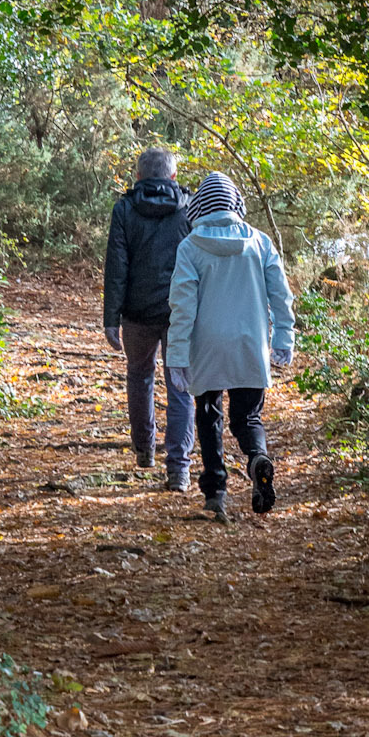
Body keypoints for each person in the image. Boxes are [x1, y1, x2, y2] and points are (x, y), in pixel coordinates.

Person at [165, 172, 294, 525]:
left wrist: (176, 357)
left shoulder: (190, 247)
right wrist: (283, 338)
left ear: (199, 208)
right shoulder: (260, 242)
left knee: (208, 416)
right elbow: (281, 296)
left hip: (206, 347)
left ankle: (215, 493)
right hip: (251, 345)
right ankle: (257, 458)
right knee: (247, 417)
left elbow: (183, 307)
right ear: (236, 205)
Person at [102, 148, 196, 487]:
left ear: (138, 176)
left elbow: (117, 267)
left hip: (137, 314)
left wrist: (111, 318)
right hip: (179, 313)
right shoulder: (188, 206)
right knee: (180, 387)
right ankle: (179, 468)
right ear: (172, 176)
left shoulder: (125, 209)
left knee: (139, 376)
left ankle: (144, 449)